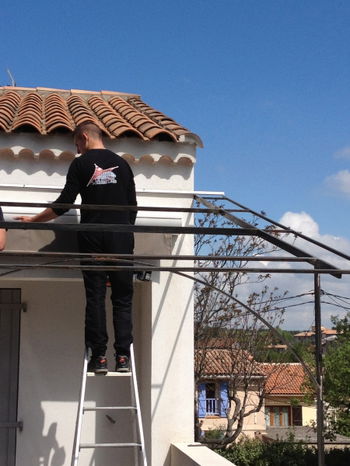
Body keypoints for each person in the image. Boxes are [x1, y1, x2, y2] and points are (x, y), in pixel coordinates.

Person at [16, 122, 137, 374]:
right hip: (121, 239)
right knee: (122, 300)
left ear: (84, 137)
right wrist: (123, 236)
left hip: (93, 238)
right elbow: (132, 208)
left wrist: (33, 221)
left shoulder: (80, 164)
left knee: (95, 297)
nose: (78, 150)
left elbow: (63, 205)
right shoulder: (124, 166)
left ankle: (100, 357)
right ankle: (123, 357)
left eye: (77, 145)